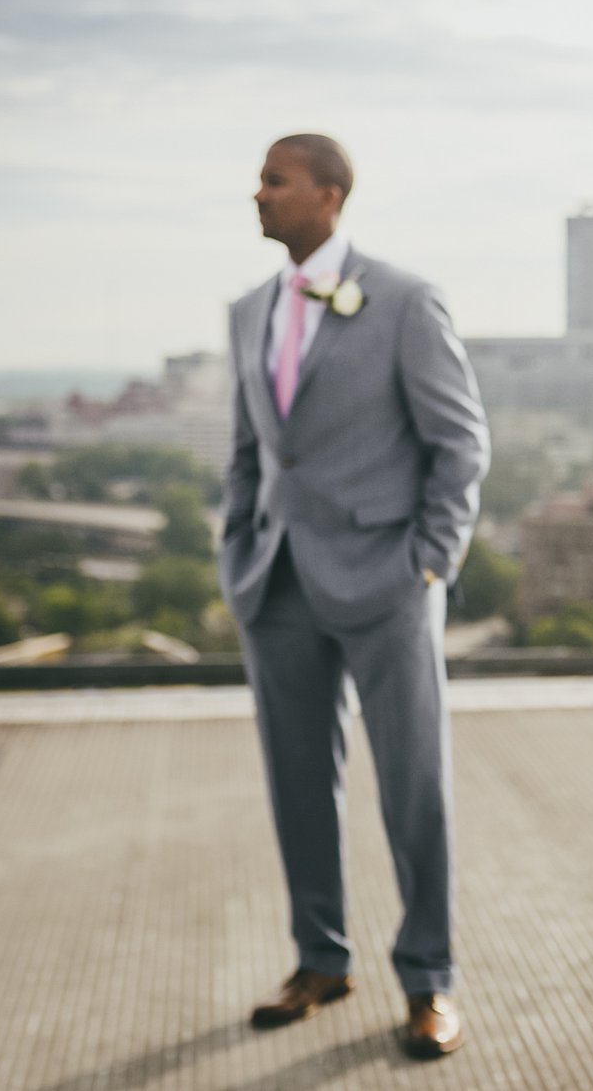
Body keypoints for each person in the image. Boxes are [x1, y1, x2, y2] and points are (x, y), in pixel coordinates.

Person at [218, 134, 490, 1059]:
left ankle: (429, 980)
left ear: (329, 195)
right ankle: (319, 960)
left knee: (415, 789)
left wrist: (430, 563)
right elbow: (252, 454)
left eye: (274, 180)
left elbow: (461, 443)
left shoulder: (406, 299)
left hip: (387, 581)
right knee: (296, 784)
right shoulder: (247, 309)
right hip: (276, 582)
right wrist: (235, 557)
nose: (257, 194)